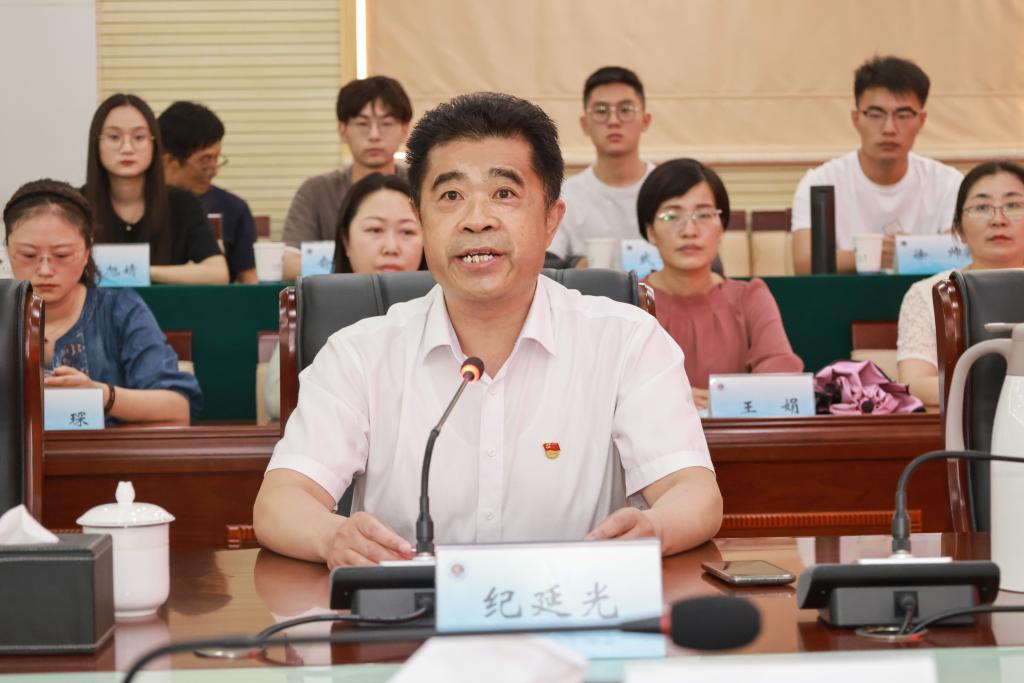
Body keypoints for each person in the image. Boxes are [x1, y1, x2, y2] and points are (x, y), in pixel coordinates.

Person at [254, 92, 722, 568]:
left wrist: (655, 528)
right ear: (421, 219)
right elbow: (280, 501)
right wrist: (331, 536)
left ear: (551, 221)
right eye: (451, 196)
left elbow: (693, 491)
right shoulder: (359, 354)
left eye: (504, 194)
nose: (476, 220)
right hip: (409, 612)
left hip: (576, 605)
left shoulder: (627, 342)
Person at [4, 179, 203, 425]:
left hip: (105, 450)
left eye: (62, 255)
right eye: (28, 255)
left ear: (87, 251)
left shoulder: (120, 310)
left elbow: (177, 407)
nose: (45, 270)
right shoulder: (5, 314)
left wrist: (101, 395)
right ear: (7, 249)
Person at [639, 159, 803, 411]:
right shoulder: (630, 301)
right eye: (671, 215)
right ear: (650, 231)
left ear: (721, 227)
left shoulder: (750, 297)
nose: (689, 230)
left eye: (704, 215)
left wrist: (721, 400)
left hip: (737, 435)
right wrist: (671, 398)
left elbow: (781, 376)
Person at [263, 173, 425, 420]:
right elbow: (277, 399)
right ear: (346, 240)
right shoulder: (316, 304)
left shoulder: (448, 305)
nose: (391, 247)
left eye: (407, 231)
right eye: (375, 229)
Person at [790, 56, 963, 274]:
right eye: (875, 114)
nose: (889, 128)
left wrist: (907, 251)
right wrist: (876, 253)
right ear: (856, 119)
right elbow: (804, 263)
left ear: (921, 121)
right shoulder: (821, 182)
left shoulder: (948, 183)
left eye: (903, 115)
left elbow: (962, 255)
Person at [897, 161, 1024, 407]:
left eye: (1013, 205)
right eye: (982, 208)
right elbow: (916, 384)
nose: (998, 220)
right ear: (958, 230)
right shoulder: (930, 292)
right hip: (962, 425)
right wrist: (1007, 393)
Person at [83, 93, 228, 284]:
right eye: (114, 137)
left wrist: (142, 272)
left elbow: (218, 273)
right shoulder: (74, 206)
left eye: (139, 137)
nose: (127, 148)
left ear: (154, 144)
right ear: (96, 143)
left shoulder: (182, 204)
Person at [281, 76, 413, 280]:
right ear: (342, 130)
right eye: (362, 123)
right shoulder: (317, 191)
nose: (374, 135)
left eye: (386, 123)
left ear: (405, 130)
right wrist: (359, 270)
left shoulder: (421, 186)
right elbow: (289, 264)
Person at [548, 66, 654, 264]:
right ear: (585, 124)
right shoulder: (565, 196)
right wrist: (575, 266)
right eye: (601, 111)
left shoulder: (669, 192)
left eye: (625, 110)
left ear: (645, 121)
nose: (613, 121)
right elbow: (546, 263)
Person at [158, 100, 258, 283]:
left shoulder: (234, 208)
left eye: (216, 158)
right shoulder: (137, 207)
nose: (214, 170)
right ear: (169, 161)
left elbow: (249, 279)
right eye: (205, 160)